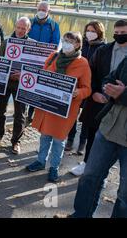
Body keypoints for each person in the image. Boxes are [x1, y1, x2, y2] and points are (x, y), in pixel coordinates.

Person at [26, 32, 91, 183]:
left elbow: (87, 89)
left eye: (70, 41)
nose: (66, 43)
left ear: (77, 45)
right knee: (44, 136)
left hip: (65, 108)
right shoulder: (54, 56)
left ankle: (54, 167)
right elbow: (42, 74)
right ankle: (41, 161)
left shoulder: (83, 63)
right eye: (65, 40)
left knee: (58, 139)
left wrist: (78, 92)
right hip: (47, 104)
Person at [72, 55, 127, 218]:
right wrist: (108, 87)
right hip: (108, 128)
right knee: (90, 176)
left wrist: (123, 94)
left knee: (125, 194)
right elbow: (110, 78)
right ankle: (81, 215)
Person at [70, 19, 127, 177]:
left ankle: (105, 170)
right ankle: (87, 163)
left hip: (121, 106)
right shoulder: (103, 50)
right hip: (97, 99)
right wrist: (94, 92)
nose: (120, 35)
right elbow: (91, 74)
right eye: (117, 32)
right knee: (92, 132)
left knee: (115, 139)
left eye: (124, 33)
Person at [0, 17, 32, 154]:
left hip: (22, 83)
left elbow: (34, 67)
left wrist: (22, 74)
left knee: (20, 114)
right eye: (18, 27)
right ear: (15, 26)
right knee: (0, 110)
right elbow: (0, 62)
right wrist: (7, 73)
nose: (20, 31)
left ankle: (16, 141)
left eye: (23, 28)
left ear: (28, 29)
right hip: (6, 81)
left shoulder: (32, 45)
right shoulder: (7, 41)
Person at [65, 22, 106, 155]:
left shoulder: (103, 48)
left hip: (92, 87)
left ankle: (82, 142)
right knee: (73, 114)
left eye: (93, 31)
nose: (90, 33)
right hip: (77, 85)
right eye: (88, 30)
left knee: (87, 118)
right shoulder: (80, 44)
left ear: (99, 32)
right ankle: (70, 139)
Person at [26, 2, 62, 125]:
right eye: (40, 9)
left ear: (48, 12)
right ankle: (23, 112)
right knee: (27, 84)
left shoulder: (53, 25)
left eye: (44, 10)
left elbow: (55, 45)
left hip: (44, 62)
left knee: (37, 87)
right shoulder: (30, 22)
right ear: (36, 9)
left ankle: (31, 113)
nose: (41, 11)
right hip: (29, 59)